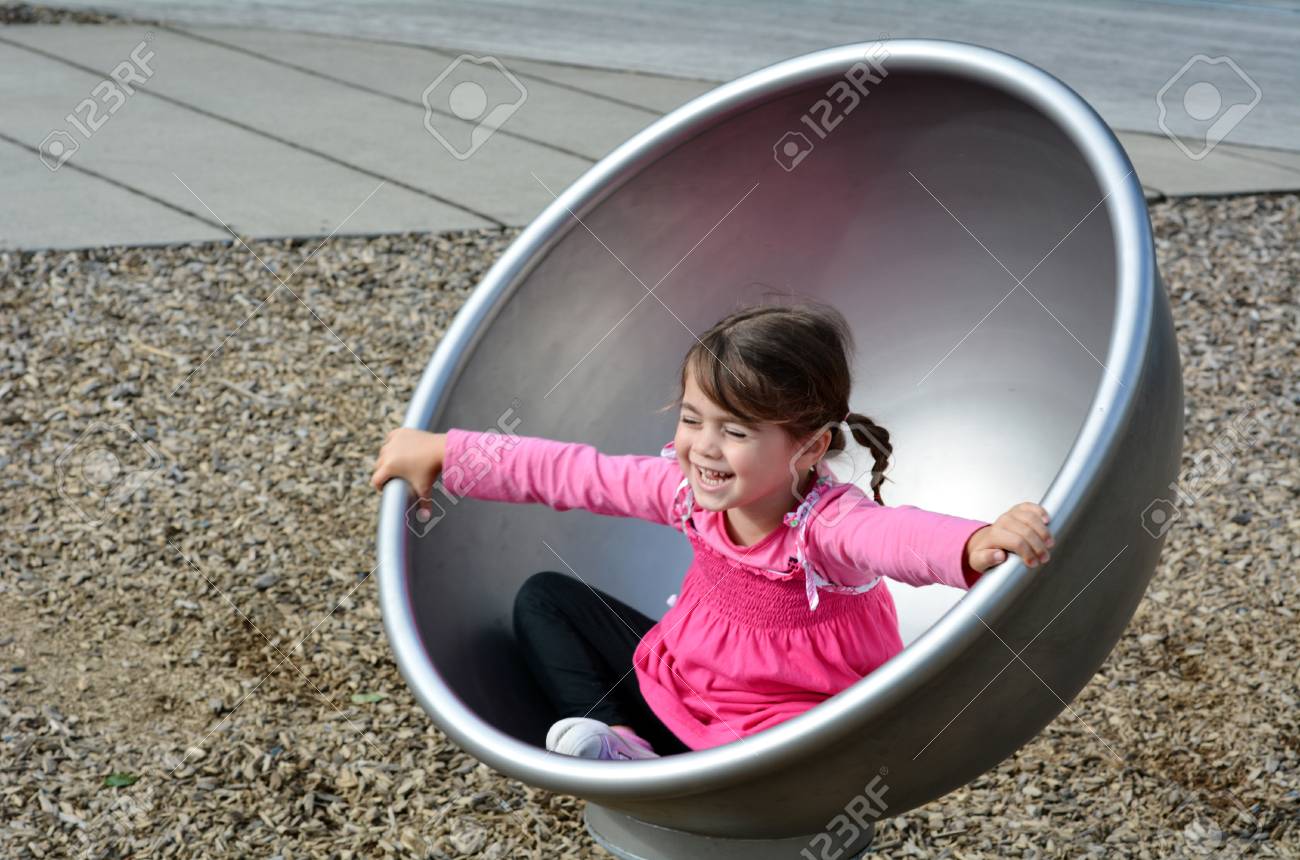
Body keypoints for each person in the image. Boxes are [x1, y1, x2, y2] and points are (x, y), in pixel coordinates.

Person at [371, 301, 1054, 761]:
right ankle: (619, 745)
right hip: (680, 690)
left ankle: (677, 768)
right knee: (546, 599)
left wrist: (971, 542)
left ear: (810, 448)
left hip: (775, 737)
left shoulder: (825, 529)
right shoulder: (687, 493)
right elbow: (572, 473)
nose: (702, 447)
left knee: (783, 754)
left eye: (736, 432)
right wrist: (447, 454)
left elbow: (895, 538)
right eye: (693, 418)